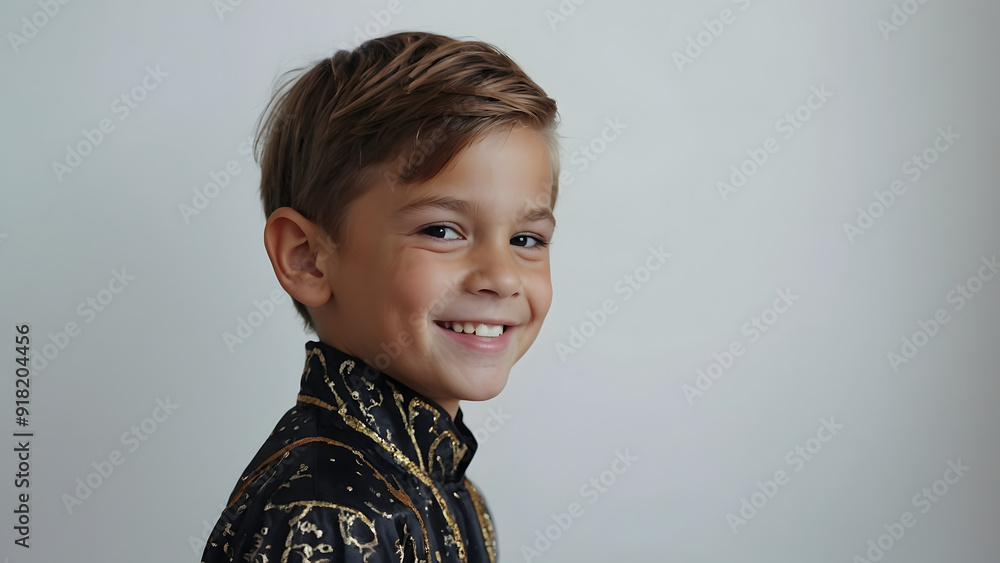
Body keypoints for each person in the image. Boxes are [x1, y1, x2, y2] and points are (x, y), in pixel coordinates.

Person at [201, 30, 561, 562]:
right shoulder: (327, 519)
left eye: (525, 240)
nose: (502, 277)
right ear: (307, 257)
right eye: (441, 230)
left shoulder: (454, 492)